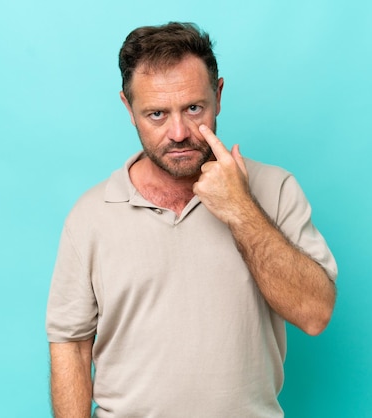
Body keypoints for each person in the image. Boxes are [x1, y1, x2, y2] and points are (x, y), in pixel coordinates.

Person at [46, 22, 338, 418]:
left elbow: (315, 313)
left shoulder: (275, 188)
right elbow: (71, 343)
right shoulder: (91, 215)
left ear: (218, 95)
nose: (179, 132)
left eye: (194, 108)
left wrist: (241, 209)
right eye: (157, 114)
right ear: (128, 109)